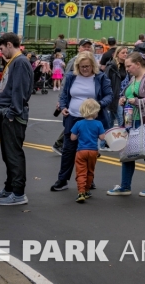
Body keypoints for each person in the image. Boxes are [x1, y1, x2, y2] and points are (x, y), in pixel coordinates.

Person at [107, 53, 145, 197]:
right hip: (132, 119)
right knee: (128, 153)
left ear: (138, 64)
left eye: (129, 66)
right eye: (126, 66)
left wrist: (138, 102)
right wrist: (123, 99)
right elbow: (128, 94)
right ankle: (125, 186)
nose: (127, 69)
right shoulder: (134, 78)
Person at [52, 53, 112, 192]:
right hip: (72, 117)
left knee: (88, 151)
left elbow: (109, 95)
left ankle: (88, 180)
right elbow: (64, 95)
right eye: (81, 66)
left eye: (87, 66)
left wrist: (98, 104)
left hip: (91, 120)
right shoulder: (72, 77)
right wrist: (63, 107)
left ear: (93, 66)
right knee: (68, 150)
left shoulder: (100, 77)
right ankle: (62, 180)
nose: (84, 69)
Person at [0, 32, 33, 207]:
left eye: (1, 48)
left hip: (13, 115)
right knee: (9, 154)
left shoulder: (20, 62)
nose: (1, 52)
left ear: (8, 44)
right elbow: (15, 87)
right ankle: (10, 188)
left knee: (13, 155)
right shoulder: (17, 62)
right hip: (10, 113)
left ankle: (18, 193)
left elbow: (20, 91)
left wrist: (12, 113)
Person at [70, 98, 106, 203]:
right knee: (90, 171)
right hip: (93, 151)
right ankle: (86, 190)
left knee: (81, 172)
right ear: (95, 112)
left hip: (81, 151)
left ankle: (80, 192)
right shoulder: (98, 124)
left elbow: (72, 137)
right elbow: (102, 137)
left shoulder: (79, 123)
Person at [104, 46, 129, 126]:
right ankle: (124, 136)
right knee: (122, 120)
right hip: (115, 97)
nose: (125, 54)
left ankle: (106, 135)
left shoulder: (128, 65)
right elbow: (106, 81)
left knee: (110, 120)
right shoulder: (111, 66)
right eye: (123, 53)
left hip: (125, 97)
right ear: (117, 54)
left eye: (126, 53)